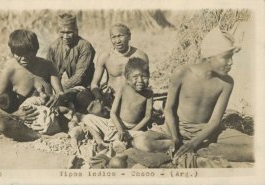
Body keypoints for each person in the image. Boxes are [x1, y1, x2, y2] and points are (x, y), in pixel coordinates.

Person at [133, 27, 253, 162]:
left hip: (208, 131)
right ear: (209, 56)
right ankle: (192, 149)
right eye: (226, 57)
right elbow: (169, 109)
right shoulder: (182, 73)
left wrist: (194, 143)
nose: (231, 62)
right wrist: (175, 137)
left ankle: (198, 150)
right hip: (178, 127)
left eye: (232, 57)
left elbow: (215, 121)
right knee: (141, 141)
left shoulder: (227, 83)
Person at [0, 29, 70, 141]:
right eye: (18, 54)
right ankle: (40, 137)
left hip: (48, 117)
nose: (23, 58)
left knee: (73, 113)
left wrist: (58, 97)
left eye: (28, 53)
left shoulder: (48, 66)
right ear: (12, 52)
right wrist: (15, 114)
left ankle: (44, 133)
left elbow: (61, 93)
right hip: (22, 121)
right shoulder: (10, 69)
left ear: (36, 49)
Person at [84, 58, 153, 150]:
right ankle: (100, 142)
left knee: (142, 137)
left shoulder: (149, 94)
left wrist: (132, 131)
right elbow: (113, 113)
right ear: (127, 79)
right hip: (114, 125)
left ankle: (121, 143)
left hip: (133, 129)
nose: (140, 80)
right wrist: (120, 129)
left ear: (149, 76)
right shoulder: (123, 89)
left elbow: (147, 116)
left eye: (144, 77)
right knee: (88, 118)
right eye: (135, 77)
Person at [90, 24, 149, 108]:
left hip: (133, 99)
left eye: (120, 36)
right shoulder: (105, 56)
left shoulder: (140, 56)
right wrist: (98, 96)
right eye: (113, 37)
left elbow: (145, 81)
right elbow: (94, 83)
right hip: (110, 98)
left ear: (129, 36)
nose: (117, 41)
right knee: (83, 97)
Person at [47, 13, 96, 112]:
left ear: (76, 31)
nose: (66, 36)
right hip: (59, 88)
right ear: (58, 31)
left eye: (69, 32)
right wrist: (52, 90)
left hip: (82, 87)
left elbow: (80, 76)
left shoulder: (85, 46)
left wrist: (60, 91)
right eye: (62, 32)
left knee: (83, 99)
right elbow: (48, 72)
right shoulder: (53, 46)